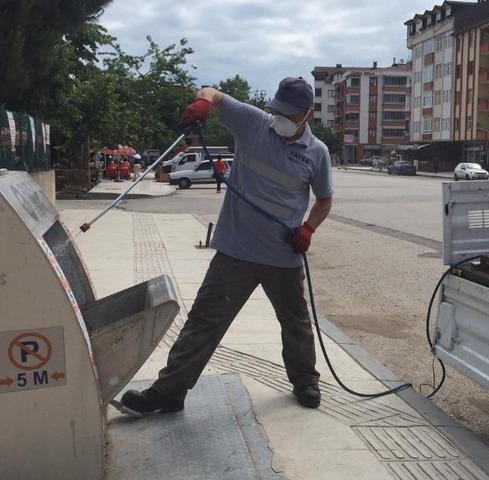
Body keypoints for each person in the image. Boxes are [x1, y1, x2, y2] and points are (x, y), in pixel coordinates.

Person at [119, 77, 333, 414]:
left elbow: (324, 199)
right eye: (277, 110)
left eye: (289, 114)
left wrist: (308, 228)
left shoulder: (317, 153)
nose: (279, 117)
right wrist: (202, 103)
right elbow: (212, 93)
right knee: (205, 321)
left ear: (307, 114)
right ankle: (169, 392)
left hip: (283, 256)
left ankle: (305, 380)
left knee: (296, 324)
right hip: (236, 252)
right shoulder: (252, 123)